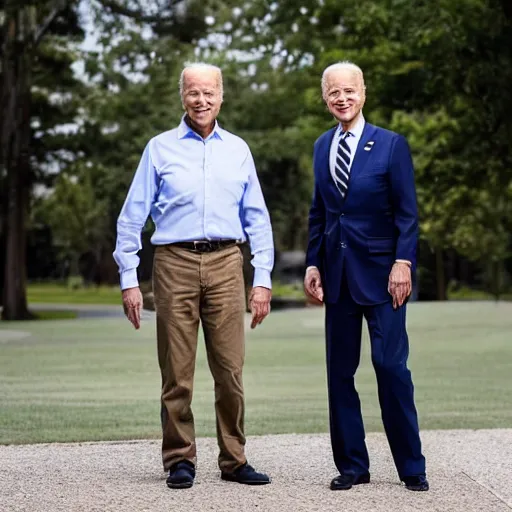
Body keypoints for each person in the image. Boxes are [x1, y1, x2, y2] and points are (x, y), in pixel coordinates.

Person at [113, 63, 274, 489]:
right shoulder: (159, 148)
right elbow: (131, 219)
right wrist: (129, 277)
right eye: (193, 93)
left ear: (221, 96)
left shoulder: (238, 149)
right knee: (177, 371)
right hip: (174, 263)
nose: (201, 100)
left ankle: (234, 459)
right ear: (182, 96)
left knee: (230, 370)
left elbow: (258, 219)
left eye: (209, 93)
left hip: (226, 263)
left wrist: (262, 278)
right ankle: (179, 459)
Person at [304, 62, 428, 492]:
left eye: (349, 90)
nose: (342, 98)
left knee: (390, 366)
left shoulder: (392, 145)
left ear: (363, 93)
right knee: (340, 372)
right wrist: (312, 263)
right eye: (334, 92)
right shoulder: (321, 146)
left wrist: (403, 262)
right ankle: (353, 465)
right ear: (326, 98)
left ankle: (412, 467)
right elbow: (319, 212)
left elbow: (408, 213)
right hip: (336, 277)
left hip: (384, 275)